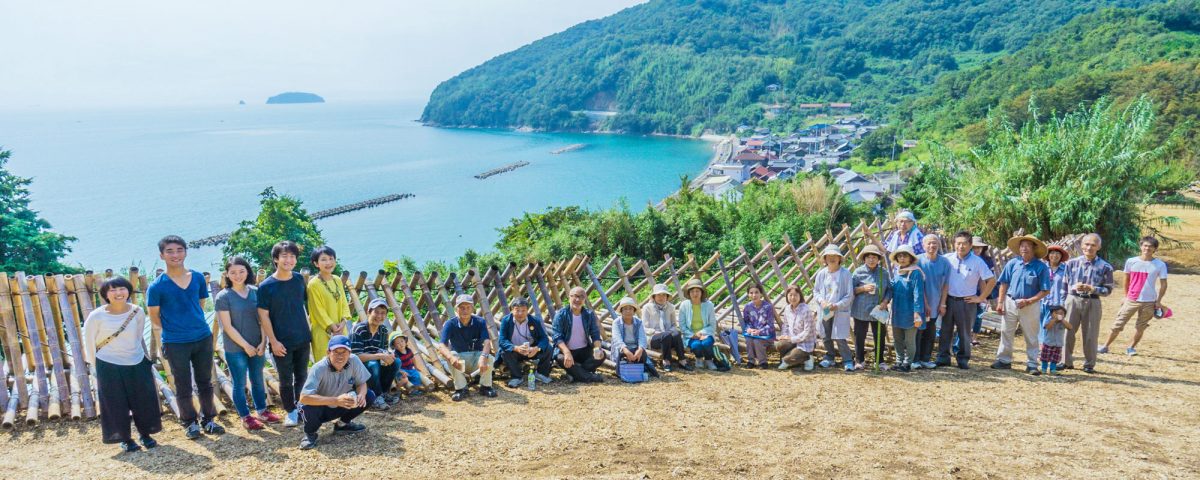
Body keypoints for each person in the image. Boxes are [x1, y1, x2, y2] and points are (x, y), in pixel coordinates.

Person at [146, 235, 225, 439]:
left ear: (186, 252)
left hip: (201, 337)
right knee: (182, 384)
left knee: (205, 381)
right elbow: (154, 316)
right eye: (170, 251)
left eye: (179, 250)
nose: (175, 255)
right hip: (175, 342)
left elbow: (199, 304)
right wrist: (175, 329)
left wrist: (191, 324)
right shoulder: (157, 286)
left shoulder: (197, 277)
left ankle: (209, 419)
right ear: (162, 255)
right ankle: (189, 422)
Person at [83, 276, 162, 452]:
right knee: (115, 403)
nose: (118, 293)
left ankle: (146, 434)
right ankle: (125, 438)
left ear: (128, 290)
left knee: (143, 400)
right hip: (108, 363)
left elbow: (138, 335)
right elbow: (89, 343)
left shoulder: (137, 311)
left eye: (122, 289)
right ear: (105, 294)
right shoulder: (96, 316)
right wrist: (96, 366)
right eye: (112, 290)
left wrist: (140, 356)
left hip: (136, 360)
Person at [215, 256, 282, 430]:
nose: (238, 275)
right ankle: (246, 416)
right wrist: (245, 345)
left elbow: (262, 319)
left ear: (248, 271)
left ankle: (262, 410)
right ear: (227, 274)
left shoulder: (255, 291)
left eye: (241, 271)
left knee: (258, 379)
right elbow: (227, 327)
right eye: (233, 272)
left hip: (257, 343)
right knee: (239, 382)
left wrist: (263, 341)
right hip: (235, 347)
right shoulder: (223, 296)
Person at [257, 240, 311, 427]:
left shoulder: (298, 279)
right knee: (286, 379)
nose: (289, 260)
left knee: (302, 375)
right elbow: (263, 316)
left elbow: (302, 306)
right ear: (276, 259)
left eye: (292, 256)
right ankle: (291, 410)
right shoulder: (266, 286)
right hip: (281, 341)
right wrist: (273, 341)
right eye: (284, 256)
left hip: (303, 337)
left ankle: (302, 406)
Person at [297, 335, 371, 450]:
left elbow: (362, 383)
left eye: (344, 352)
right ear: (328, 352)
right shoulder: (318, 368)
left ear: (350, 352)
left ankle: (342, 424)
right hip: (320, 407)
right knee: (307, 407)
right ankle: (310, 434)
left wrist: (361, 394)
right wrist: (336, 400)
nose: (340, 356)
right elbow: (304, 397)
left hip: (341, 404)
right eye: (336, 352)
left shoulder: (354, 360)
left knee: (369, 396)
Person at [992, 235, 1051, 375]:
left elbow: (1045, 290)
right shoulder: (1013, 263)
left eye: (1027, 245)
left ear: (1034, 248)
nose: (1024, 248)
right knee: (1006, 332)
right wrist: (1000, 302)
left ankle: (1032, 364)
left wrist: (1029, 301)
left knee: (1031, 335)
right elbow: (1004, 283)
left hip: (1030, 305)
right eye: (1022, 245)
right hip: (1010, 302)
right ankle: (1004, 360)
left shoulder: (1040, 267)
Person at [1103, 236, 1169, 356]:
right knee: (1118, 324)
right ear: (1141, 246)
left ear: (1155, 249)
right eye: (1145, 245)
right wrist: (1125, 296)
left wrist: (1158, 301)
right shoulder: (1131, 261)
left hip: (1149, 301)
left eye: (1150, 246)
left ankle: (1131, 348)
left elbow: (1164, 284)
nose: (1147, 248)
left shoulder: (1160, 265)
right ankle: (1105, 346)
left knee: (1141, 326)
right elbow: (1126, 279)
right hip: (1131, 299)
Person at [939, 231, 996, 369]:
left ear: (970, 245)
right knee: (945, 330)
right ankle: (943, 358)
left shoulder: (977, 261)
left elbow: (991, 280)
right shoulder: (947, 259)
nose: (961, 246)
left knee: (964, 332)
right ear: (954, 244)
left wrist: (980, 298)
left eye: (964, 243)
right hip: (949, 300)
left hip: (967, 302)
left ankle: (963, 359)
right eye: (958, 243)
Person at [1061, 233, 1114, 374]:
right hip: (1072, 300)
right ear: (1082, 245)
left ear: (1099, 247)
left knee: (1091, 334)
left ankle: (1089, 364)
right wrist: (1061, 304)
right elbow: (1064, 285)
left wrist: (1093, 289)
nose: (1089, 247)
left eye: (1093, 245)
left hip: (1093, 301)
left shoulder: (1106, 267)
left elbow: (1108, 290)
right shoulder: (1071, 263)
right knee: (1067, 331)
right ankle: (1066, 361)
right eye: (1086, 244)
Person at [438, 294, 498, 400]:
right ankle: (461, 389)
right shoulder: (450, 324)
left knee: (490, 358)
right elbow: (442, 345)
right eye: (462, 307)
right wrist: (451, 358)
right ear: (456, 309)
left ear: (472, 308)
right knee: (451, 355)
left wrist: (483, 357)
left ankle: (485, 386)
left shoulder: (480, 322)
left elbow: (487, 342)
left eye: (468, 307)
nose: (465, 310)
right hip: (460, 362)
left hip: (477, 361)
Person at [496, 297, 554, 389]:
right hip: (515, 351)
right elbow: (502, 340)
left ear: (527, 311)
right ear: (512, 310)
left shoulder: (534, 320)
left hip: (531, 350)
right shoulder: (506, 321)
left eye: (523, 310)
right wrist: (516, 348)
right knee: (504, 351)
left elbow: (544, 338)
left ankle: (541, 373)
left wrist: (536, 348)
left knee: (548, 348)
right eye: (517, 310)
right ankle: (517, 377)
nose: (520, 313)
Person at [351, 298, 398, 410]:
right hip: (358, 368)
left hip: (376, 366)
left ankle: (384, 393)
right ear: (369, 312)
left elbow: (382, 351)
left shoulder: (383, 331)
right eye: (376, 312)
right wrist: (380, 356)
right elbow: (356, 357)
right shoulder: (359, 329)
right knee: (373, 364)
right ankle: (376, 396)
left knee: (396, 362)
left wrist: (388, 355)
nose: (379, 316)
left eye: (383, 313)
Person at [306, 245, 351, 362]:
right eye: (324, 259)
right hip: (323, 331)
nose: (328, 262)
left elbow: (344, 303)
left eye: (331, 259)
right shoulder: (313, 284)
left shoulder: (337, 280)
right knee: (325, 365)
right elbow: (317, 310)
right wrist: (332, 327)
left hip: (341, 329)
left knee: (343, 363)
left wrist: (343, 321)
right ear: (316, 263)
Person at [851, 245, 892, 371]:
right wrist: (863, 288)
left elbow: (890, 290)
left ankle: (879, 361)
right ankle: (859, 360)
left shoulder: (883, 272)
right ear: (864, 259)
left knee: (879, 335)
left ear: (878, 259)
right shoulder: (858, 272)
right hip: (861, 309)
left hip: (878, 309)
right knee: (860, 335)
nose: (871, 260)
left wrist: (885, 302)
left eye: (874, 257)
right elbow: (850, 290)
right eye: (868, 257)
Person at [814, 245, 854, 372]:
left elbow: (849, 294)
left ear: (839, 258)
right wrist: (822, 302)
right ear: (825, 259)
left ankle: (847, 359)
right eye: (829, 256)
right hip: (826, 308)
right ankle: (830, 357)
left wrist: (837, 305)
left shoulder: (845, 273)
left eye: (834, 256)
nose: (831, 258)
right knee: (826, 334)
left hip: (838, 309)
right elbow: (816, 291)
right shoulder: (821, 274)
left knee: (839, 336)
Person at [553, 287, 606, 382]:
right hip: (568, 351)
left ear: (584, 299)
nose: (578, 300)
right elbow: (557, 337)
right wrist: (566, 352)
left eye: (581, 297)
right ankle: (591, 377)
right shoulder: (561, 315)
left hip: (583, 350)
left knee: (602, 355)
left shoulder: (589, 315)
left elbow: (595, 334)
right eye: (575, 296)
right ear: (569, 297)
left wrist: (597, 348)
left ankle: (574, 372)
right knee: (559, 358)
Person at [914, 234, 950, 370]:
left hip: (936, 302)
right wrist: (925, 304)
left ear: (939, 245)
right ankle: (915, 359)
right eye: (928, 243)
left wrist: (942, 303)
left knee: (930, 332)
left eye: (934, 243)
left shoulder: (944, 262)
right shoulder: (918, 261)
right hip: (920, 303)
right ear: (923, 246)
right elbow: (918, 285)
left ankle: (925, 358)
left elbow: (946, 285)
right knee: (918, 331)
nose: (931, 246)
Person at [889, 245, 925, 372]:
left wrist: (917, 312)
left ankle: (907, 362)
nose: (902, 258)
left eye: (905, 256)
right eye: (900, 256)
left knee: (909, 340)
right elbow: (892, 288)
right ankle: (899, 361)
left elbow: (918, 293)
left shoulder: (915, 273)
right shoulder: (898, 272)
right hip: (897, 310)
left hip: (910, 311)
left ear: (910, 258)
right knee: (897, 338)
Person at [642, 284, 691, 372]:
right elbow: (644, 328)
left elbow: (674, 325)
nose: (661, 297)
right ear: (654, 296)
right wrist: (656, 332)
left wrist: (669, 332)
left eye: (664, 295)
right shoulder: (647, 308)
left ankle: (682, 360)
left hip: (668, 336)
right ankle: (666, 361)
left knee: (676, 334)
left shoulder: (671, 307)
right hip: (653, 337)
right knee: (665, 335)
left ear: (667, 296)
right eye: (658, 295)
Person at [1039, 246, 1071, 375]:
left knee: (1057, 330)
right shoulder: (1043, 268)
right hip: (1043, 301)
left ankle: (1055, 357)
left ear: (1061, 256)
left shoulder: (1065, 269)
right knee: (1042, 327)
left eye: (1057, 254)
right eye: (1052, 253)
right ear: (1048, 255)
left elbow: (1067, 286)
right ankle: (1042, 354)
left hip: (1058, 304)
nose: (1054, 256)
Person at [611, 297, 658, 378]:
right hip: (622, 348)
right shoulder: (616, 323)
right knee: (622, 354)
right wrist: (626, 351)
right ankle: (621, 372)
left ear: (634, 311)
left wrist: (640, 349)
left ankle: (638, 368)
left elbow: (642, 338)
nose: (628, 311)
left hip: (635, 347)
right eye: (625, 309)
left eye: (630, 309)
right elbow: (617, 339)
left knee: (642, 353)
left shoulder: (638, 322)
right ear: (621, 311)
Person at [677, 279, 718, 371]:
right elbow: (682, 325)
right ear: (688, 293)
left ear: (701, 292)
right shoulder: (684, 305)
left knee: (706, 343)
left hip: (706, 333)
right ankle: (699, 358)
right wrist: (693, 335)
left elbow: (712, 324)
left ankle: (708, 360)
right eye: (692, 291)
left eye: (697, 291)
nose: (695, 294)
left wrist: (702, 333)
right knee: (696, 345)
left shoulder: (709, 305)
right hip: (690, 334)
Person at [776, 284, 819, 371]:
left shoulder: (805, 309)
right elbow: (786, 325)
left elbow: (807, 332)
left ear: (800, 296)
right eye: (790, 295)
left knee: (786, 360)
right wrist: (784, 336)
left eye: (795, 295)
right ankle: (794, 357)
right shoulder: (787, 308)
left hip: (806, 342)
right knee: (779, 345)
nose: (793, 297)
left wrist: (792, 339)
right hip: (792, 340)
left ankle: (808, 357)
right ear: (787, 296)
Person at [740, 283, 777, 369]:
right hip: (752, 334)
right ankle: (751, 361)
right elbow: (746, 322)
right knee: (749, 339)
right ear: (748, 294)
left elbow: (770, 325)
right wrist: (749, 329)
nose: (754, 295)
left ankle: (763, 362)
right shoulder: (747, 307)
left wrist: (759, 332)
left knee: (757, 341)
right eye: (751, 293)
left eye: (756, 292)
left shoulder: (768, 307)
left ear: (761, 293)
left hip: (767, 335)